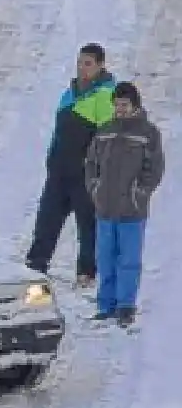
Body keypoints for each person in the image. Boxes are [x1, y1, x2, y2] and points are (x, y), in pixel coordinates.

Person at [26, 43, 116, 286]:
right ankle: (36, 263)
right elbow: (59, 130)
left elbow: (106, 136)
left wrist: (96, 167)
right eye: (79, 62)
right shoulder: (70, 93)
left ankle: (86, 272)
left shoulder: (106, 95)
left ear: (100, 65)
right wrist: (51, 156)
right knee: (47, 218)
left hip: (85, 171)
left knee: (87, 223)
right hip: (59, 169)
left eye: (88, 63)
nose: (82, 68)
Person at [85, 82, 164, 326]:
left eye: (124, 105)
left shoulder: (148, 133)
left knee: (128, 259)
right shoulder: (105, 130)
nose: (120, 109)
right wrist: (95, 188)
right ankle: (105, 305)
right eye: (117, 105)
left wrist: (139, 193)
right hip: (105, 209)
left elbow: (155, 169)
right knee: (105, 258)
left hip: (132, 210)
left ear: (135, 106)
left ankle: (126, 306)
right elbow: (91, 163)